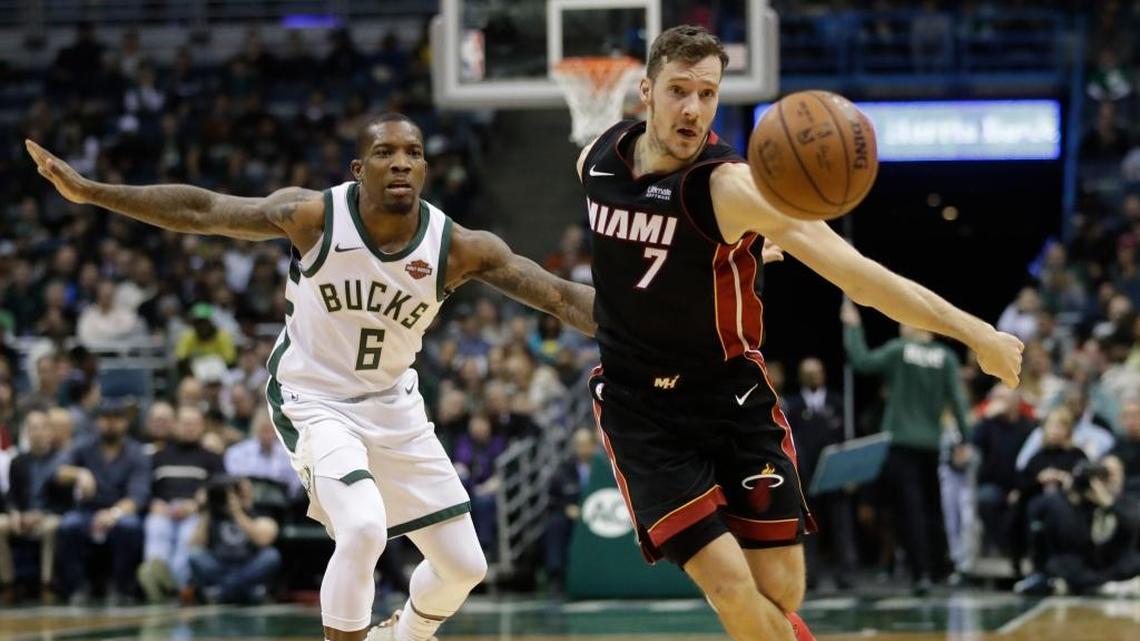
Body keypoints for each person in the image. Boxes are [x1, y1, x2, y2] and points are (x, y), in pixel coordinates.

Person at [27, 111, 594, 641]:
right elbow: (203, 210)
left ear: (425, 168)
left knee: (465, 567)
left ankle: (398, 637)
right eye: (384, 152)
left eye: (413, 153)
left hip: (394, 404)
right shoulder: (314, 216)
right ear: (358, 168)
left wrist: (658, 326)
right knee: (364, 528)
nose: (400, 162)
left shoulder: (459, 247)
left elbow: (564, 298)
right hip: (315, 397)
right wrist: (93, 192)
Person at [576, 25, 1022, 641]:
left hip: (729, 394)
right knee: (731, 588)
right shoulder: (596, 159)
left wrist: (977, 334)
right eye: (679, 90)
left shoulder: (730, 187)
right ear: (646, 92)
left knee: (782, 590)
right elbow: (636, 263)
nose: (693, 109)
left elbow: (864, 280)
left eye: (707, 93)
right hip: (640, 409)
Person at [841, 304, 972, 593]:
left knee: (910, 510)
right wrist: (965, 439)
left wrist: (852, 327)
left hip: (901, 443)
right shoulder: (947, 358)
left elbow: (862, 361)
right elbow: (958, 401)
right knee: (933, 508)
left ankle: (921, 574)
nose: (900, 325)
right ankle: (942, 568)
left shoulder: (899, 350)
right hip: (931, 443)